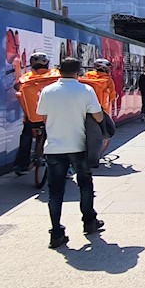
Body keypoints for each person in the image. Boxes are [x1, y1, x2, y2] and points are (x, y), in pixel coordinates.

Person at [36, 57, 105, 250]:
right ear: (79, 71)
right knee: (85, 185)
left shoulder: (47, 91)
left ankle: (56, 232)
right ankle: (89, 221)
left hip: (54, 149)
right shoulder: (86, 90)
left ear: (58, 70)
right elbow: (98, 117)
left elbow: (42, 116)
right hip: (79, 147)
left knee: (55, 192)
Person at [13, 53, 59, 175]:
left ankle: (22, 165)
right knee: (62, 137)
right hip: (54, 117)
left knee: (26, 135)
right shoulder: (55, 75)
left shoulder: (26, 78)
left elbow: (18, 91)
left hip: (34, 118)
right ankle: (66, 168)